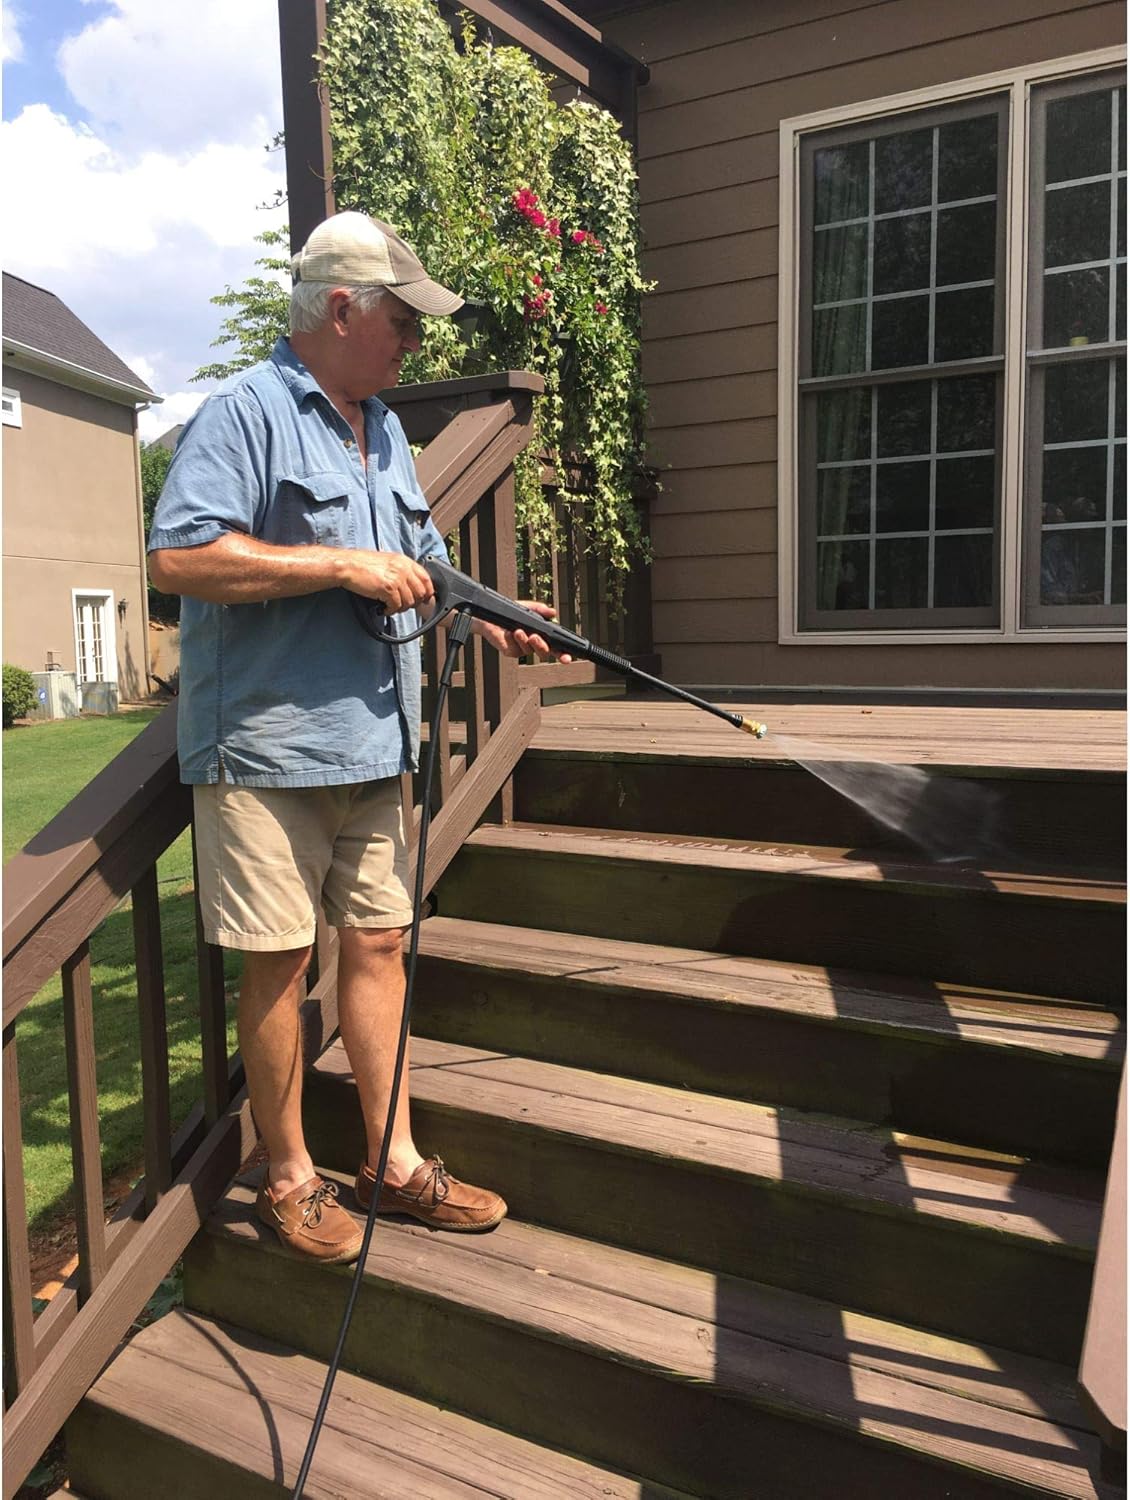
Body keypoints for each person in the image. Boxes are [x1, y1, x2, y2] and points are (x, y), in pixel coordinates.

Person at [148, 211, 564, 1264]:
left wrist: (496, 620)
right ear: (341, 310)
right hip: (266, 747)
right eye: (402, 323)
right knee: (281, 968)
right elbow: (179, 559)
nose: (414, 344)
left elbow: (423, 567)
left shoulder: (379, 431)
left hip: (376, 740)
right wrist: (335, 565)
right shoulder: (244, 414)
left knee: (377, 945)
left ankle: (390, 1160)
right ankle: (290, 1177)